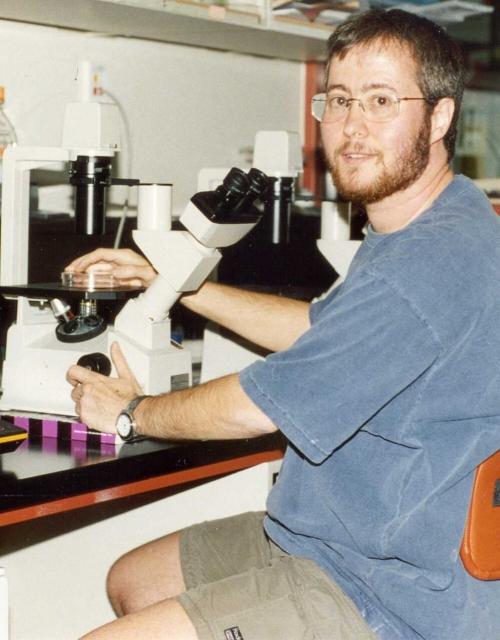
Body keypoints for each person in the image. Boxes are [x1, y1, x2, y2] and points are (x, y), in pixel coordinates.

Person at [66, 8, 500, 640]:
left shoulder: (426, 265)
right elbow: (320, 329)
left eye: (382, 100)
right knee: (133, 580)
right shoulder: (439, 218)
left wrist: (131, 412)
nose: (353, 126)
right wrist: (180, 284)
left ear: (439, 117)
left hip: (393, 592)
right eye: (340, 100)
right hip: (335, 536)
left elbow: (255, 409)